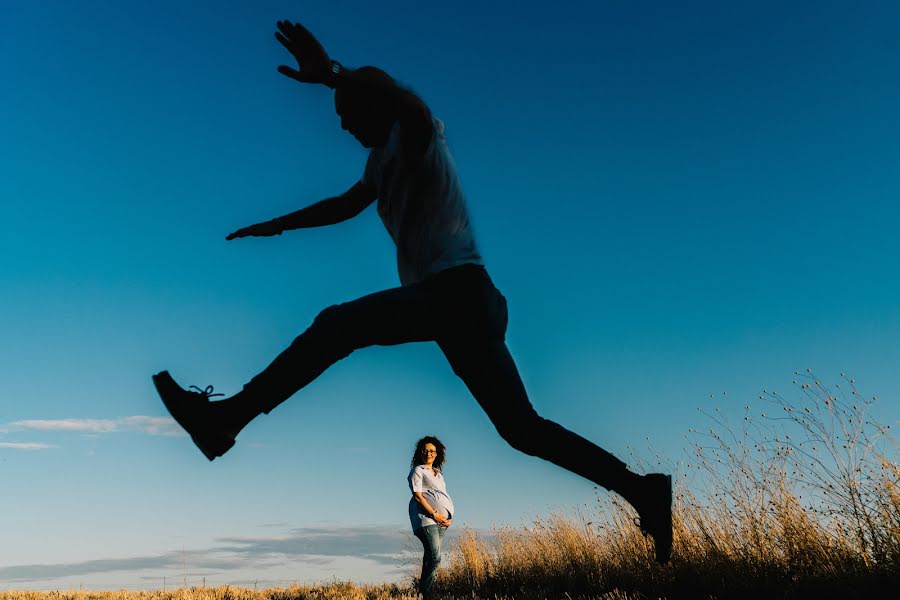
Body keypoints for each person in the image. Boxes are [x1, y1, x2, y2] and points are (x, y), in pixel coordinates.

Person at [152, 19, 673, 563]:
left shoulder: (418, 133)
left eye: (348, 115)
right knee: (523, 430)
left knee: (338, 325)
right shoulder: (380, 163)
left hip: (459, 293)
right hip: (460, 307)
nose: (344, 127)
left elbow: (405, 105)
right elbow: (343, 205)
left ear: (373, 104)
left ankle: (224, 420)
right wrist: (275, 225)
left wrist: (334, 73)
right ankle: (642, 489)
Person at [408, 436, 453, 599]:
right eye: (425, 450)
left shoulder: (439, 474)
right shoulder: (418, 470)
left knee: (430, 556)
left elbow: (443, 495)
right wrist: (434, 514)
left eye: (432, 451)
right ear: (420, 452)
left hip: (440, 520)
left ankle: (423, 593)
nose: (429, 453)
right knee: (435, 556)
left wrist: (449, 516)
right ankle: (426, 593)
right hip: (426, 519)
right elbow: (418, 496)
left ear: (437, 453)